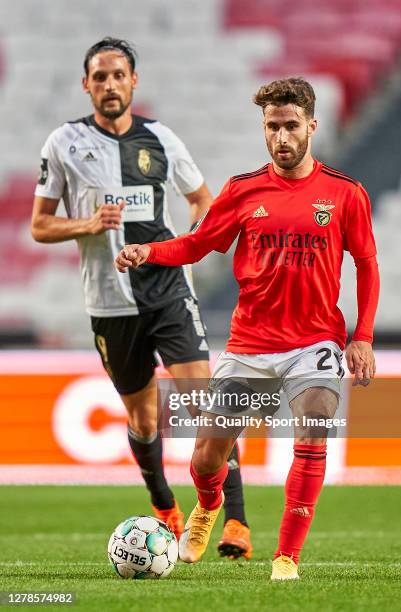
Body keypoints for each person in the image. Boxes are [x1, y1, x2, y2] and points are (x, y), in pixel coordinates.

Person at [115, 77, 380, 580]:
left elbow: (367, 264)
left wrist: (361, 336)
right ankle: (209, 503)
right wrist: (149, 250)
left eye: (291, 126)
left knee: (315, 425)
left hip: (316, 342)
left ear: (312, 126)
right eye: (272, 126)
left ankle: (287, 556)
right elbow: (195, 245)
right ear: (264, 128)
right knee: (207, 455)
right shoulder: (243, 190)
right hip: (252, 345)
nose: (282, 137)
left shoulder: (345, 194)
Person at [31, 36, 252, 558]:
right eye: (100, 77)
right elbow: (39, 225)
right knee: (144, 420)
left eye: (118, 75)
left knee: (209, 403)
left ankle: (235, 522)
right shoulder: (62, 143)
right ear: (86, 85)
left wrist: (184, 246)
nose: (110, 85)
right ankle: (163, 505)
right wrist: (87, 223)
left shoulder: (162, 139)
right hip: (109, 304)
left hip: (169, 290)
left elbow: (204, 201)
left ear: (134, 81)